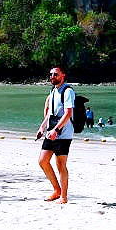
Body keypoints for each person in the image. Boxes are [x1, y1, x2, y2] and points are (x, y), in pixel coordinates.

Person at [36, 65, 76, 203]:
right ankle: (56, 190)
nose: (52, 76)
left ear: (63, 75)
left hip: (63, 134)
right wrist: (42, 127)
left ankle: (64, 196)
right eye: (51, 74)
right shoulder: (53, 91)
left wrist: (56, 130)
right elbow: (50, 113)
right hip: (51, 131)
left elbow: (68, 113)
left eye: (56, 74)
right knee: (42, 161)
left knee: (60, 165)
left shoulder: (68, 91)